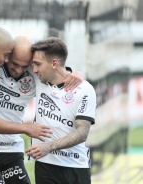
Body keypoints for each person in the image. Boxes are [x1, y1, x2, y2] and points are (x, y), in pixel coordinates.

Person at [0, 35, 83, 184]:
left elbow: (60, 73)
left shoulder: (36, 74)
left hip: (12, 150)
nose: (18, 70)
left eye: (25, 66)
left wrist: (77, 74)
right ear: (7, 55)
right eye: (14, 63)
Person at [25, 37, 97, 184]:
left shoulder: (84, 89)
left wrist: (49, 147)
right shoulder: (39, 81)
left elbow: (83, 133)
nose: (34, 70)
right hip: (45, 166)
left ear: (54, 63)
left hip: (75, 167)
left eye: (38, 64)